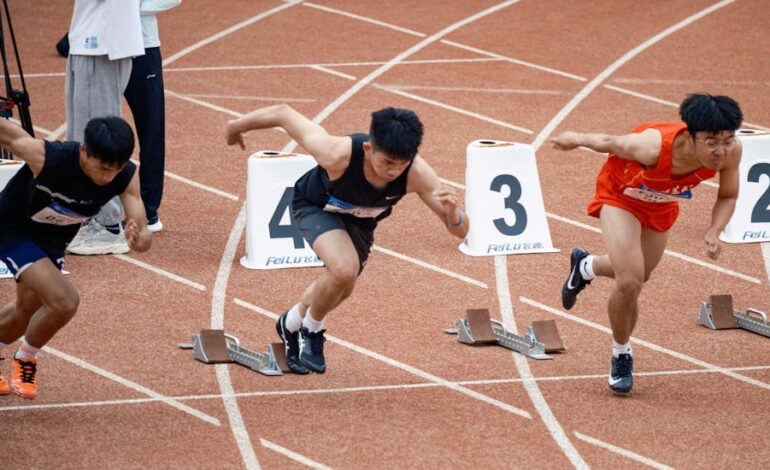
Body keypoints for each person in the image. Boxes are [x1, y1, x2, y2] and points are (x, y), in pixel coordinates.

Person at [225, 105, 469, 374]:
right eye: (387, 162)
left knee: (342, 286)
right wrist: (237, 126)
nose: (393, 172)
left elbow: (460, 231)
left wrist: (453, 213)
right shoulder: (337, 153)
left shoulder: (417, 174)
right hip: (315, 207)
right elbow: (284, 114)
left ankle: (291, 323)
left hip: (361, 222)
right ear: (368, 148)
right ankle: (312, 331)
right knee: (344, 268)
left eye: (401, 164)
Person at [550, 93, 743, 393]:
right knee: (630, 282)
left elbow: (728, 195)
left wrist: (714, 231)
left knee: (641, 274)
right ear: (691, 137)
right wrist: (575, 138)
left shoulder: (731, 152)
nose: (720, 150)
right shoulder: (651, 146)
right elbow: (610, 142)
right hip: (620, 196)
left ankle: (585, 266)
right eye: (711, 141)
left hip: (662, 204)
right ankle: (621, 353)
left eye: (728, 140)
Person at [0, 116, 152, 399]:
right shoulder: (48, 157)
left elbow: (142, 235)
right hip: (13, 229)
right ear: (84, 151)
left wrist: (138, 238)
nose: (108, 176)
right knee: (64, 301)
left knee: (26, 309)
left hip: (54, 240)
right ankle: (26, 357)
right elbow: (7, 132)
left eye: (115, 170)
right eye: (103, 168)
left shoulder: (126, 175)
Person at [56, 0, 180, 233]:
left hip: (143, 45)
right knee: (96, 128)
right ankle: (91, 210)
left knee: (150, 128)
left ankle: (148, 209)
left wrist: (131, 9)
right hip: (105, 43)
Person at [65, 0, 144, 255]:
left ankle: (106, 224)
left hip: (100, 44)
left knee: (97, 141)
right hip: (91, 40)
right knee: (81, 140)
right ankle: (89, 216)